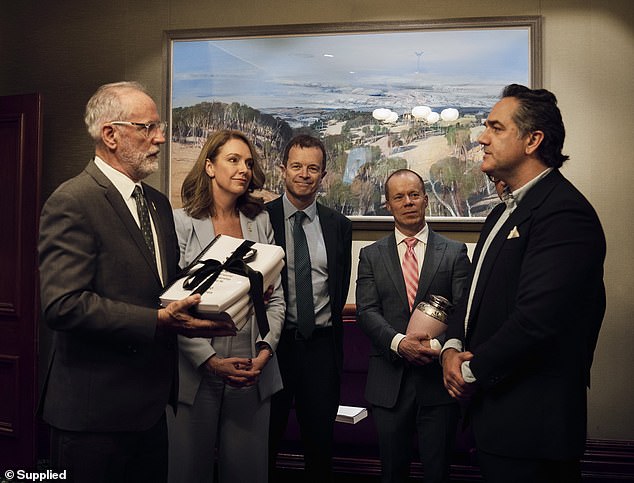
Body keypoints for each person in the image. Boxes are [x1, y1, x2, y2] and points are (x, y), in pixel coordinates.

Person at [38, 81, 235, 483]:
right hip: (93, 416)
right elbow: (63, 305)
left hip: (150, 410)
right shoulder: (73, 200)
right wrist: (157, 321)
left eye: (159, 127)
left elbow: (165, 283)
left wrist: (230, 288)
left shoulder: (157, 204)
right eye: (148, 127)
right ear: (110, 134)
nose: (160, 137)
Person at [441, 84, 606, 483]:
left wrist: (468, 372)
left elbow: (537, 319)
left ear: (533, 140)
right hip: (497, 422)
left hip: (534, 430)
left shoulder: (564, 213)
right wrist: (450, 347)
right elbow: (474, 294)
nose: (482, 138)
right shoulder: (504, 212)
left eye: (495, 128)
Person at [167, 129, 285, 483]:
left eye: (248, 162)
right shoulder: (181, 222)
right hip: (195, 366)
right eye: (233, 160)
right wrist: (212, 361)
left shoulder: (260, 221)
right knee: (187, 472)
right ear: (209, 167)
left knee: (247, 473)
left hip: (252, 366)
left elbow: (277, 298)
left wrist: (265, 353)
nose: (244, 169)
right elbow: (172, 305)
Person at [356, 169, 471, 483]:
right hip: (388, 385)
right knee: (392, 473)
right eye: (399, 197)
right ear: (388, 204)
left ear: (426, 199)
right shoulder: (370, 256)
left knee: (438, 472)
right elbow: (366, 312)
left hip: (438, 384)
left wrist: (434, 347)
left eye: (414, 195)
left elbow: (464, 312)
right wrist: (399, 343)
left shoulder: (454, 253)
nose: (408, 202)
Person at [267, 134, 352, 482]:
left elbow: (339, 283)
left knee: (319, 445)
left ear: (323, 175)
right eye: (297, 166)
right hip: (273, 348)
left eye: (313, 168)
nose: (305, 174)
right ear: (283, 170)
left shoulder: (338, 226)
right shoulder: (260, 220)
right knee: (265, 439)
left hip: (321, 347)